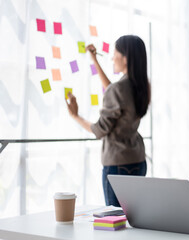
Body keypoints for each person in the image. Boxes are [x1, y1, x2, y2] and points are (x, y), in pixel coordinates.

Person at [66, 35, 151, 207]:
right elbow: (113, 91)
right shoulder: (140, 86)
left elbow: (99, 130)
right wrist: (95, 61)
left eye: (115, 53)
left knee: (117, 221)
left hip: (117, 165)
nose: (112, 57)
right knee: (134, 219)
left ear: (125, 57)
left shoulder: (119, 89)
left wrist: (76, 116)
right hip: (138, 160)